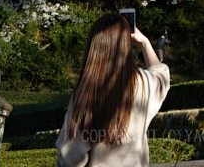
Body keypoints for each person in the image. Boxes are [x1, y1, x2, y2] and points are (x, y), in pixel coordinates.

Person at [56, 14, 171, 167]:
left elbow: (71, 157)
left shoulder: (86, 92)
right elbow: (161, 74)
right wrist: (145, 43)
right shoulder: (145, 84)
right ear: (125, 44)